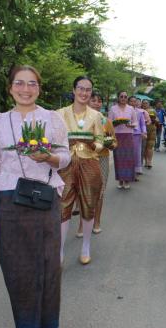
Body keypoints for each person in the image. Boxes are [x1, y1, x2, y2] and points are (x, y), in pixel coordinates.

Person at [0, 65, 70, 328]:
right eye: (19, 83)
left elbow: (65, 157)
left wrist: (48, 157)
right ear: (10, 88)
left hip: (45, 201)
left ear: (39, 88)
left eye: (32, 84)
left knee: (48, 268)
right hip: (9, 203)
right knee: (17, 271)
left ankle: (49, 323)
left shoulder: (53, 119)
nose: (25, 89)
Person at [57, 76, 104, 265]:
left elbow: (101, 140)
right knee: (62, 205)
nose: (84, 93)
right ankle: (59, 250)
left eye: (88, 89)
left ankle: (86, 246)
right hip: (65, 163)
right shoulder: (59, 114)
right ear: (74, 90)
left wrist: (95, 145)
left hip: (89, 163)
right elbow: (53, 139)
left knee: (89, 202)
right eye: (81, 88)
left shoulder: (96, 116)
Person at [87, 90, 116, 234]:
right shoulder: (80, 120)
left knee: (100, 191)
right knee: (84, 192)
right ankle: (82, 224)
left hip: (102, 158)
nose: (97, 103)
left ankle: (96, 221)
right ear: (87, 101)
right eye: (94, 100)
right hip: (84, 157)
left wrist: (110, 144)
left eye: (99, 101)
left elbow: (114, 141)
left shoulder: (106, 121)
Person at [109, 90, 137, 189]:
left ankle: (127, 180)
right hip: (117, 135)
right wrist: (115, 124)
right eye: (121, 96)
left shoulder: (131, 109)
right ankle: (120, 181)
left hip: (128, 135)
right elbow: (109, 123)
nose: (123, 98)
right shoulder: (113, 109)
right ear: (118, 97)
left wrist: (130, 125)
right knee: (118, 159)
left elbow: (135, 122)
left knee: (128, 158)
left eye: (125, 97)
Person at [129, 96, 147, 179]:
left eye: (134, 101)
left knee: (136, 154)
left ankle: (136, 173)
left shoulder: (140, 112)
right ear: (128, 102)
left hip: (137, 134)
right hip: (127, 134)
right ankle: (128, 172)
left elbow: (143, 124)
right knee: (128, 154)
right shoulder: (125, 111)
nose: (133, 103)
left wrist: (144, 132)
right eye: (131, 101)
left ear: (136, 102)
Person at [142, 99, 157, 168]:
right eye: (144, 103)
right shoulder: (140, 111)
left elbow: (157, 120)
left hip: (152, 131)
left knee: (150, 147)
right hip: (143, 131)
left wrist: (153, 120)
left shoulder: (153, 111)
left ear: (149, 104)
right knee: (144, 147)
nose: (145, 104)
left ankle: (149, 161)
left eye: (146, 103)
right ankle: (146, 161)